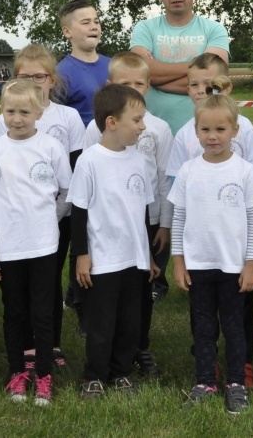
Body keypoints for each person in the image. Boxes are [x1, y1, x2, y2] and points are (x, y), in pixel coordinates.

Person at [167, 65, 253, 389]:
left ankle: (237, 381)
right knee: (203, 325)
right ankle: (205, 379)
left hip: (233, 265)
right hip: (199, 264)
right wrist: (179, 261)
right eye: (206, 130)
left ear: (235, 131)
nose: (213, 137)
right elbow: (179, 218)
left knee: (234, 325)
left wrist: (251, 264)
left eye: (220, 130)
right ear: (196, 132)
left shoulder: (246, 172)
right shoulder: (187, 171)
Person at [0, 79, 71, 406]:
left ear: (39, 111)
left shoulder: (51, 148)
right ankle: (18, 371)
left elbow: (65, 192)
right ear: (1, 112)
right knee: (15, 312)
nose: (17, 118)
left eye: (24, 112)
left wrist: (48, 219)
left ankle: (43, 374)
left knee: (43, 313)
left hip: (44, 246)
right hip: (8, 248)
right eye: (10, 111)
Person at [0, 44, 84, 372]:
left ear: (52, 79)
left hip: (56, 216)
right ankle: (26, 348)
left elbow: (73, 172)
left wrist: (56, 214)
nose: (31, 81)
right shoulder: (6, 123)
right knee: (19, 291)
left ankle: (51, 344)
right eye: (23, 76)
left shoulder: (68, 117)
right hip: (16, 223)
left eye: (38, 76)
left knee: (49, 284)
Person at [83, 52, 172, 377]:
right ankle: (101, 351)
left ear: (148, 86)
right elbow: (88, 180)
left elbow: (163, 177)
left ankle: (139, 347)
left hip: (144, 222)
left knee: (141, 291)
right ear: (111, 86)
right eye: (124, 84)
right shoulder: (95, 131)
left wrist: (164, 222)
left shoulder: (158, 129)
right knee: (107, 294)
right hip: (107, 225)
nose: (133, 89)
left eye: (139, 83)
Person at [68, 84, 160, 399]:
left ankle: (121, 373)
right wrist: (82, 255)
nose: (143, 126)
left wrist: (147, 255)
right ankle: (94, 375)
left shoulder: (138, 161)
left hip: (133, 259)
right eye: (136, 120)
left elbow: (144, 213)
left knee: (129, 321)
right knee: (101, 323)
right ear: (112, 122)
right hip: (103, 259)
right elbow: (79, 213)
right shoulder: (89, 161)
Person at [130, 0, 230, 135]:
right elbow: (139, 74)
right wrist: (196, 69)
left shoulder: (214, 30)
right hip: (150, 133)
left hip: (205, 133)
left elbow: (215, 80)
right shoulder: (145, 29)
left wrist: (155, 78)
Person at [56, 0, 111, 126]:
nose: (94, 26)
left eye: (96, 21)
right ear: (67, 32)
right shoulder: (60, 74)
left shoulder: (115, 66)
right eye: (85, 23)